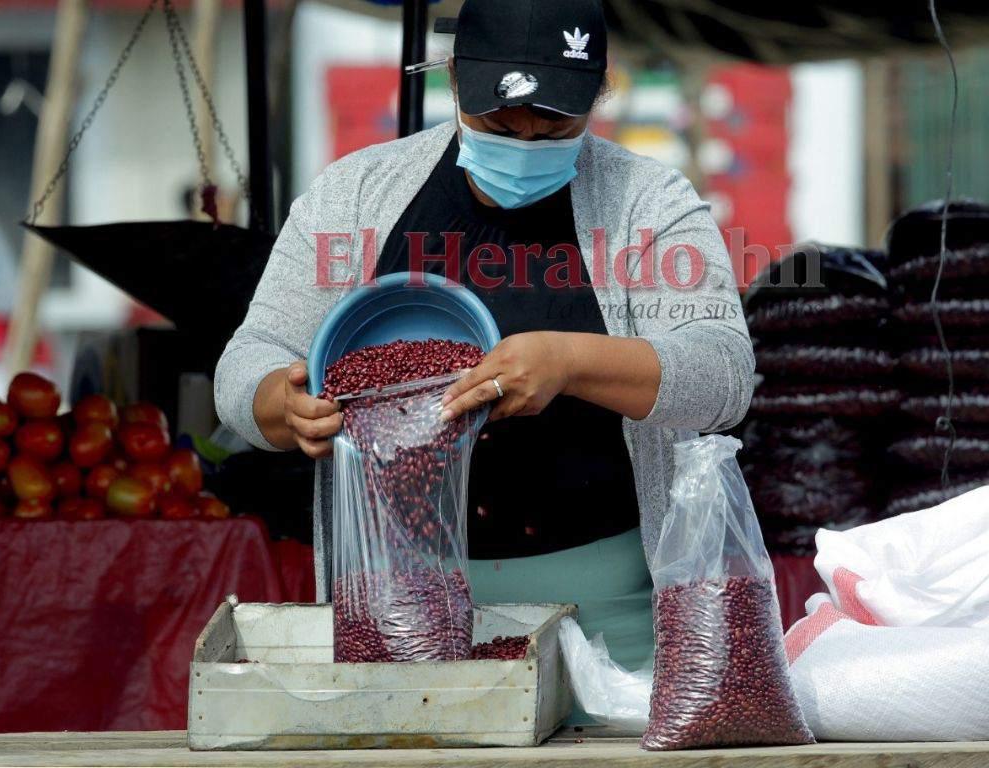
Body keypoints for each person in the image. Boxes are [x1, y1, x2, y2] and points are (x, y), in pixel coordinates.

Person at [215, 0, 754, 683]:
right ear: (452, 80)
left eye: (554, 125)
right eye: (498, 123)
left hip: (609, 610)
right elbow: (250, 359)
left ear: (599, 92)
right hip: (394, 603)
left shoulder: (646, 203)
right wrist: (281, 404)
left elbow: (723, 375)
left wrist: (569, 362)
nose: (524, 141)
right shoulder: (356, 196)